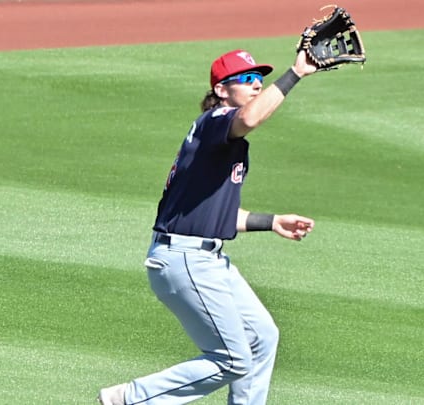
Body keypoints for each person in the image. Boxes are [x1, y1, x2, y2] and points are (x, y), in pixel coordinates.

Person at [97, 48, 318, 405]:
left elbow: (214, 216)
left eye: (259, 78)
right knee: (232, 358)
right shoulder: (216, 120)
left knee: (263, 335)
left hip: (205, 257)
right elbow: (249, 119)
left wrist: (271, 222)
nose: (256, 85)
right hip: (185, 259)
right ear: (220, 90)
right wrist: (295, 73)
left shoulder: (221, 146)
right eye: (247, 79)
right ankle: (131, 399)